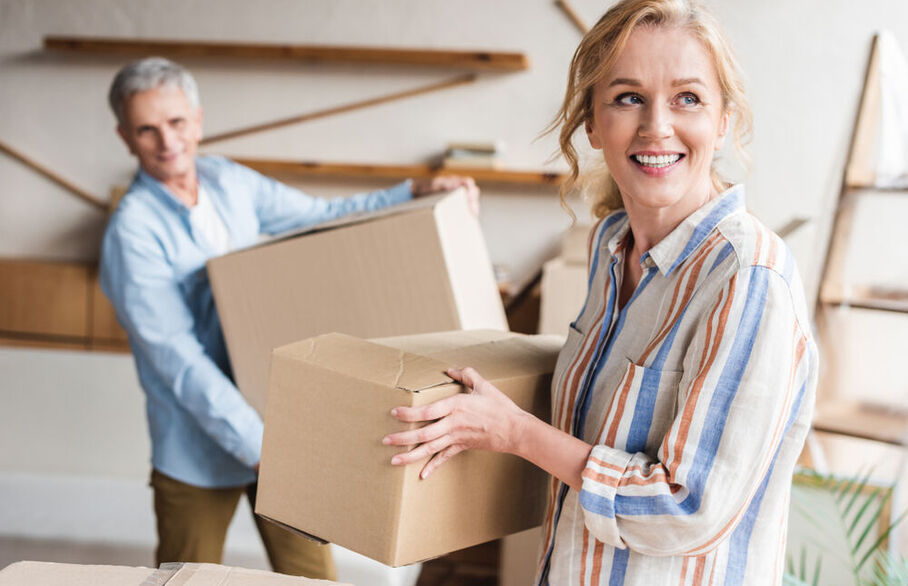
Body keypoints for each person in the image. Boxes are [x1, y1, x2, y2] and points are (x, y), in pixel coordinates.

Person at [383, 1, 818, 584]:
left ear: (722, 120)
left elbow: (685, 507)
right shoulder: (610, 246)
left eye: (687, 98)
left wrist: (514, 432)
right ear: (592, 122)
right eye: (628, 97)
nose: (656, 126)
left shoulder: (747, 280)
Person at [99, 56, 478, 579]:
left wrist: (412, 192)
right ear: (125, 137)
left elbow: (318, 219)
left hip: (276, 421)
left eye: (176, 122)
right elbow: (179, 361)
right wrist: (259, 446)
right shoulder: (132, 232)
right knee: (187, 578)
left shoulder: (227, 180)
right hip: (197, 448)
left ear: (198, 119)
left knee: (311, 576)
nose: (167, 141)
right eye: (147, 129)